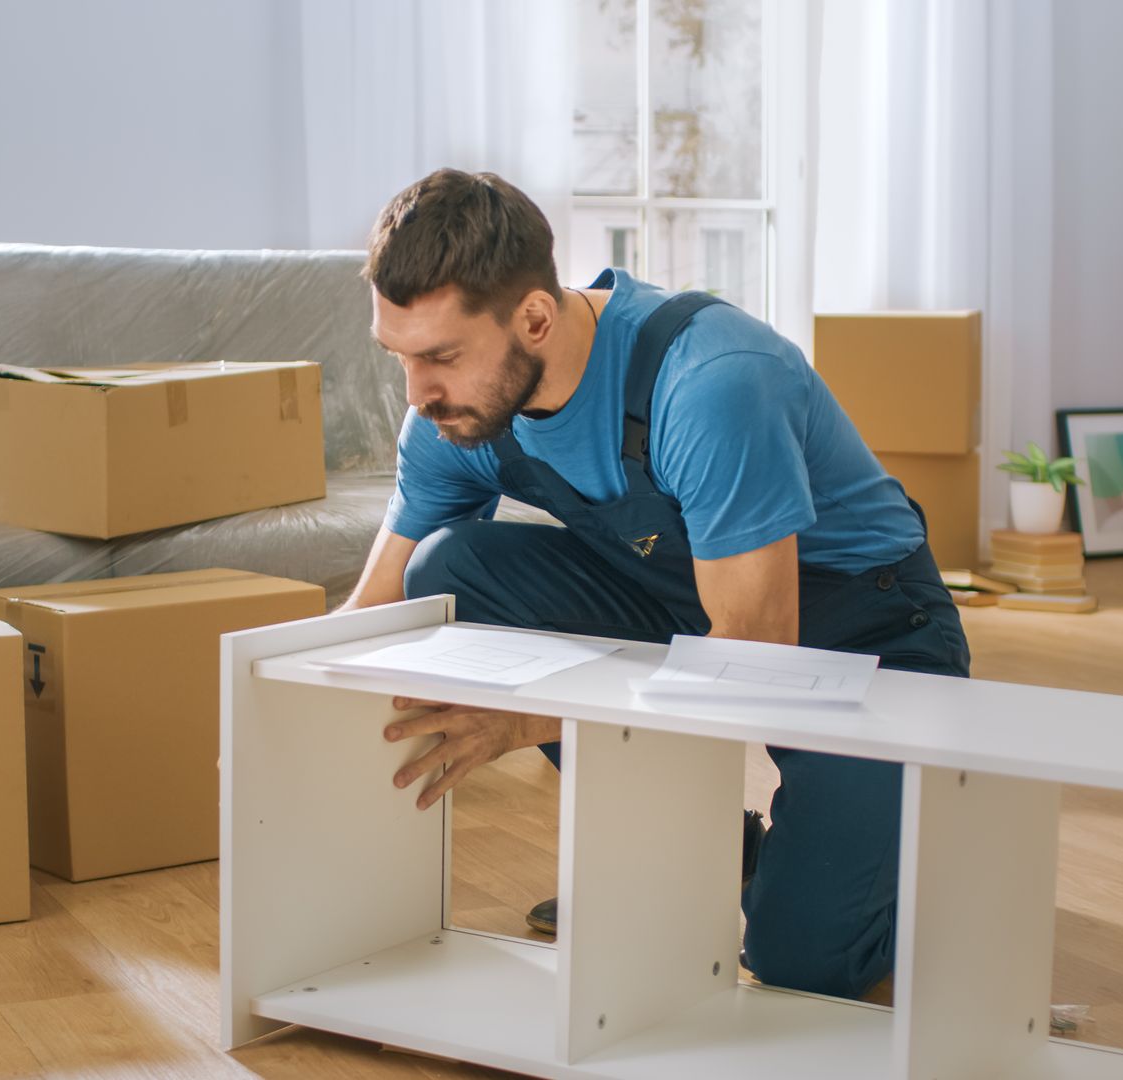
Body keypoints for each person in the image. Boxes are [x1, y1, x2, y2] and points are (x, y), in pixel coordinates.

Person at [337, 168, 970, 999]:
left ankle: (892, 842)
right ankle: (712, 850)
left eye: (441, 358)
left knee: (801, 964)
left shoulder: (711, 382)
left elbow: (756, 658)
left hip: (865, 634)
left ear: (533, 317)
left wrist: (529, 717)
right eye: (400, 359)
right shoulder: (456, 415)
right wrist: (270, 713)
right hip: (681, 605)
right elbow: (381, 600)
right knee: (450, 571)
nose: (417, 395)